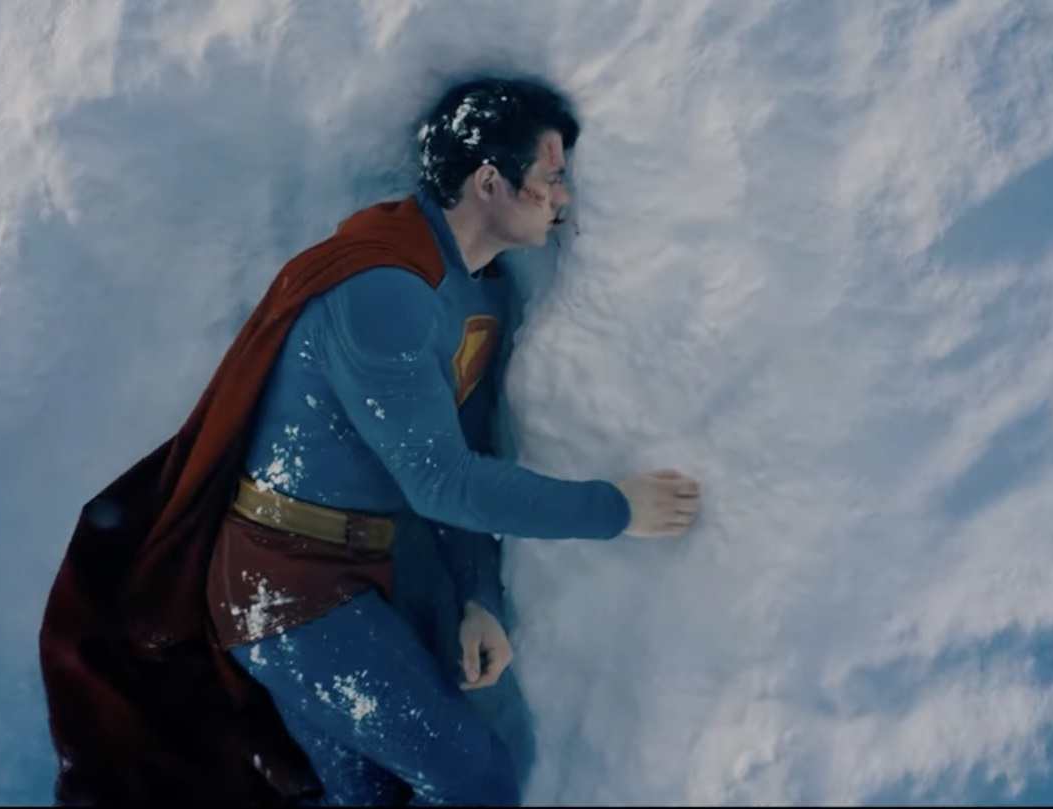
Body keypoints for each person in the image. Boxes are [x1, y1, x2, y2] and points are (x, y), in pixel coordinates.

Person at [38, 76, 701, 806]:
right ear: (489, 182)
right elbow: (441, 482)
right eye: (551, 177)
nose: (564, 198)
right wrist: (617, 508)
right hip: (280, 588)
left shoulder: (478, 292)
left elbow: (465, 452)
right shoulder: (383, 289)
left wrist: (478, 596)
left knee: (371, 794)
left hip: (357, 578)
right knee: (474, 777)